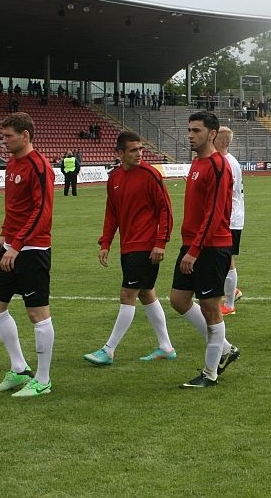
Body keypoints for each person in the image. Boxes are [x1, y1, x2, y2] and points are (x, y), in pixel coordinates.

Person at [84, 131, 177, 366]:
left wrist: (161, 242)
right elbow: (112, 213)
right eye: (133, 150)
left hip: (145, 246)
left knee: (128, 294)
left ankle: (108, 350)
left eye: (140, 149)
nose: (139, 154)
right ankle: (166, 346)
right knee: (146, 293)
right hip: (128, 246)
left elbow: (165, 210)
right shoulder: (114, 178)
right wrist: (106, 242)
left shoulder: (150, 175)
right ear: (120, 153)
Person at [0, 112, 56, 397]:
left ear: (25, 136)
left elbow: (41, 211)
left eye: (8, 136)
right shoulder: (12, 163)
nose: (4, 141)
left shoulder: (39, 166)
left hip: (32, 249)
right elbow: (13, 207)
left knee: (37, 313)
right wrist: (5, 235)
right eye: (2, 135)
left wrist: (16, 245)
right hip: (12, 246)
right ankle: (19, 368)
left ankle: (43, 380)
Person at [170, 111, 239, 389]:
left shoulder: (218, 165)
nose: (190, 135)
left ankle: (210, 373)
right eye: (189, 130)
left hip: (211, 247)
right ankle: (226, 348)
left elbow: (213, 214)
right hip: (193, 243)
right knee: (178, 299)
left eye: (196, 130)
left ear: (211, 134)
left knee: (211, 309)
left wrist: (194, 251)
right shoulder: (197, 163)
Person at [214, 126, 245, 316]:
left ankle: (229, 304)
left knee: (227, 260)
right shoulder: (223, 160)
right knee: (222, 259)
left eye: (215, 137)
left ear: (223, 142)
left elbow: (225, 191)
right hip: (229, 216)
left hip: (230, 218)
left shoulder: (228, 163)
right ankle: (232, 291)